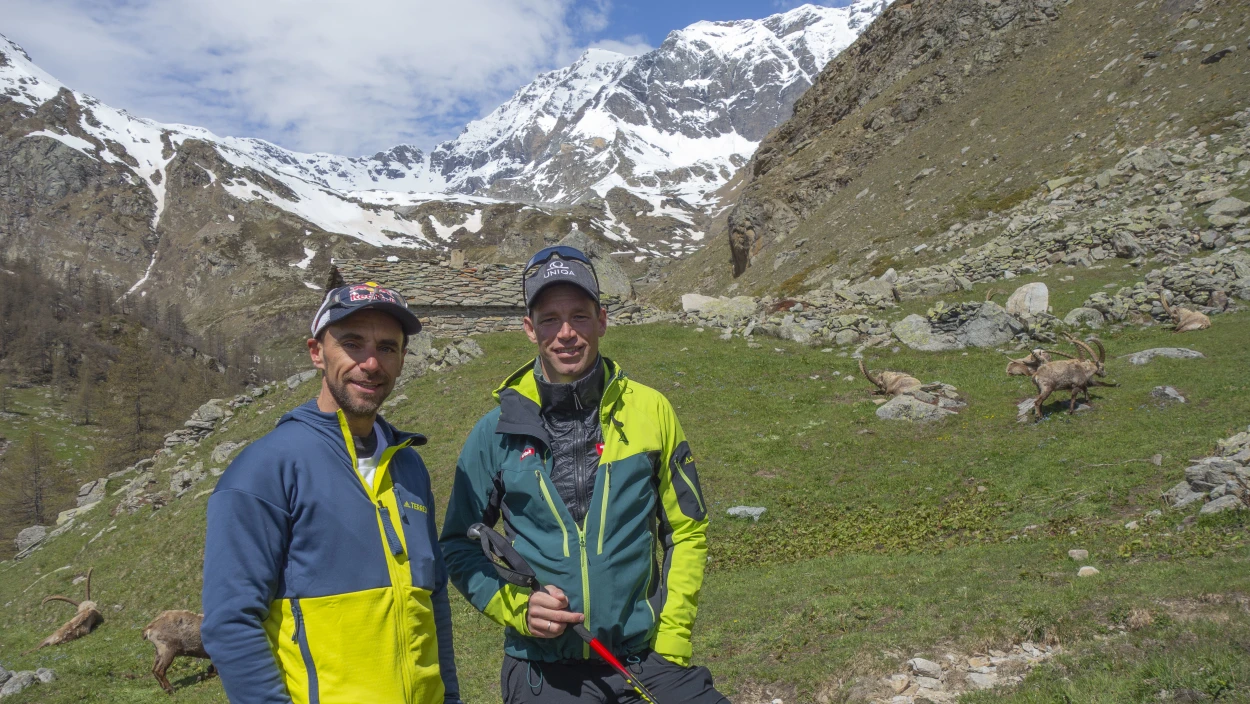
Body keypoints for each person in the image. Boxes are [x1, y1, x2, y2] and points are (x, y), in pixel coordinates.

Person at [440, 247, 728, 703]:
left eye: (579, 316)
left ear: (602, 321)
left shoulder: (652, 411)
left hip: (646, 659)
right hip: (543, 671)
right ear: (529, 328)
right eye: (550, 319)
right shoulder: (493, 432)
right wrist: (518, 610)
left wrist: (672, 642)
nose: (566, 333)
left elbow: (687, 530)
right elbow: (458, 543)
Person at [202, 282, 461, 704]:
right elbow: (230, 622)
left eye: (387, 347)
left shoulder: (409, 466)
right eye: (352, 344)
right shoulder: (264, 468)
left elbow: (434, 602)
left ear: (402, 359)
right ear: (316, 352)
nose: (371, 363)